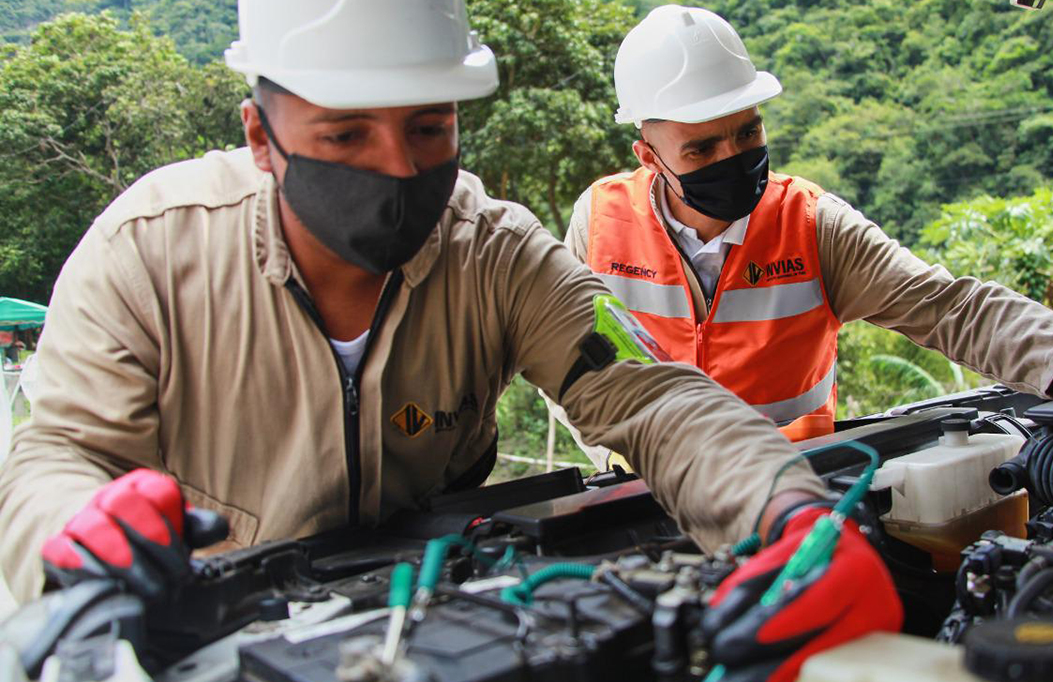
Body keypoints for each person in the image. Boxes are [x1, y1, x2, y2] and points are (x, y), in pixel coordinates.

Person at [0, 2, 902, 676]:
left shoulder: (500, 255)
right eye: (347, 133)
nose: (399, 168)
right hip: (221, 642)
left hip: (440, 628)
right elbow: (53, 457)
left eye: (429, 127)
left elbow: (653, 395)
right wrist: (72, 522)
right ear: (261, 136)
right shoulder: (151, 252)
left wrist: (792, 514)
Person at [561, 4, 1053, 448]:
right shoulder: (601, 220)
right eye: (702, 150)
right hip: (638, 496)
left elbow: (956, 310)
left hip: (793, 494)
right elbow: (573, 359)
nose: (734, 158)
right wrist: (616, 452)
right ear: (650, 157)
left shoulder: (811, 225)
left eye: (748, 132)